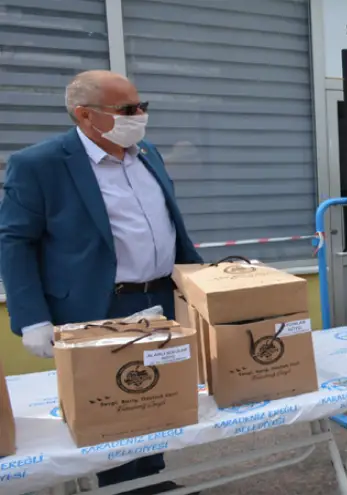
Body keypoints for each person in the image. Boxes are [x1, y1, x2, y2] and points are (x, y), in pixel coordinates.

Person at [0, 70, 202, 494]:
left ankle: (153, 479)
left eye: (142, 106)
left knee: (154, 398)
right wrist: (31, 316)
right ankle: (126, 487)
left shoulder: (146, 152)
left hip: (160, 299)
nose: (139, 116)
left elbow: (169, 225)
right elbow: (15, 242)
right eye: (127, 110)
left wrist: (200, 285)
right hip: (100, 308)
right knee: (113, 411)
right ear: (85, 115)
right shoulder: (40, 165)